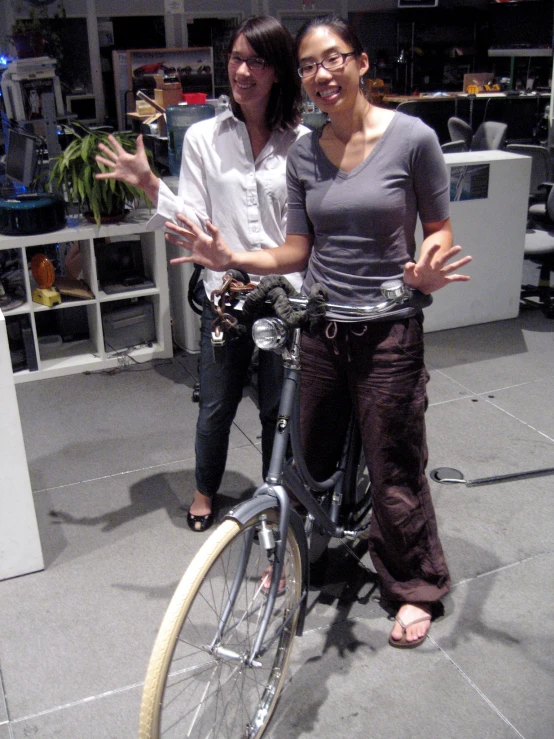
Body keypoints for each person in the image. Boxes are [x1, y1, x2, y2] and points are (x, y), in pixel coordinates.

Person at [164, 15, 473, 648]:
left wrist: (430, 267)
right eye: (307, 65)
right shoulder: (305, 150)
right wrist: (231, 261)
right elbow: (297, 249)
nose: (320, 74)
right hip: (322, 326)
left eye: (331, 59)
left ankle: (414, 587)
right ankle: (298, 559)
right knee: (307, 455)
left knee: (393, 464)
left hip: (389, 328)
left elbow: (439, 228)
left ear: (360, 61)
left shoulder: (412, 138)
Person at [95, 16, 306, 532]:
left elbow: (307, 230)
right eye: (236, 58)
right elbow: (191, 219)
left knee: (279, 410)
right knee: (216, 403)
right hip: (227, 297)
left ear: (276, 71)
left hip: (285, 298)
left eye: (256, 60)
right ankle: (204, 491)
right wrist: (150, 186)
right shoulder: (204, 139)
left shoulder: (301, 143)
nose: (243, 70)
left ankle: (274, 503)